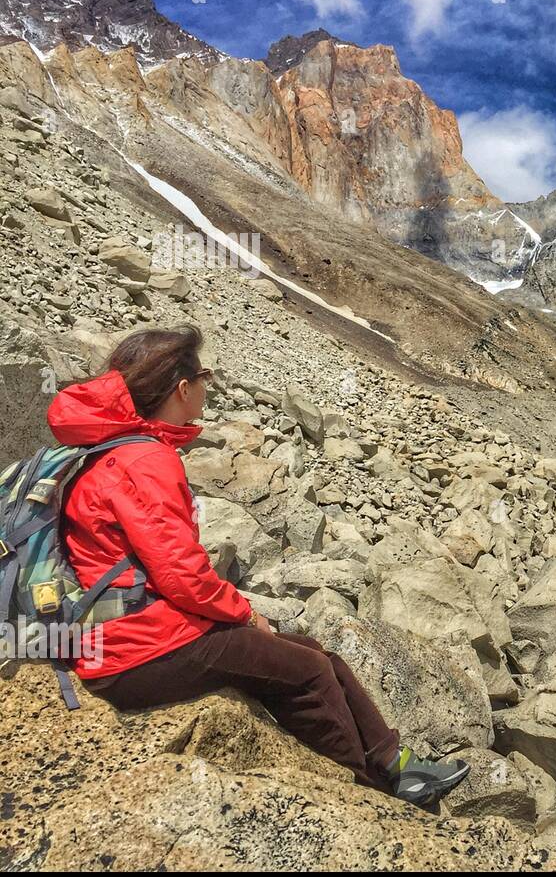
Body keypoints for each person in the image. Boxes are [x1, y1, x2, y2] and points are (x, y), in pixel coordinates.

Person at [47, 325, 469, 806]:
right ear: (183, 388)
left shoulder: (112, 450)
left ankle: (396, 764)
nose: (208, 387)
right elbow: (182, 576)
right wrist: (246, 614)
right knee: (307, 671)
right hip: (136, 650)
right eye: (204, 376)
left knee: (312, 651)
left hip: (129, 635)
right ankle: (368, 796)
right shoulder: (146, 461)